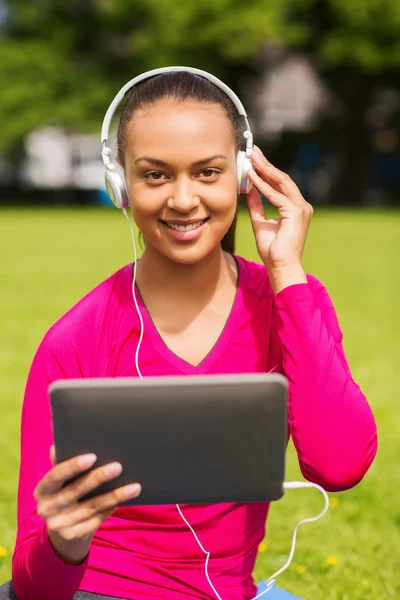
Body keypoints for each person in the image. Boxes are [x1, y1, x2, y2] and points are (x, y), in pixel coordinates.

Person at [2, 68, 377, 600]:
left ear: (243, 176)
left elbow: (338, 466)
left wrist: (288, 274)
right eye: (155, 175)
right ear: (120, 184)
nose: (182, 199)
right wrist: (66, 540)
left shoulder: (291, 302)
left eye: (207, 172)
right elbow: (36, 589)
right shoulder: (75, 340)